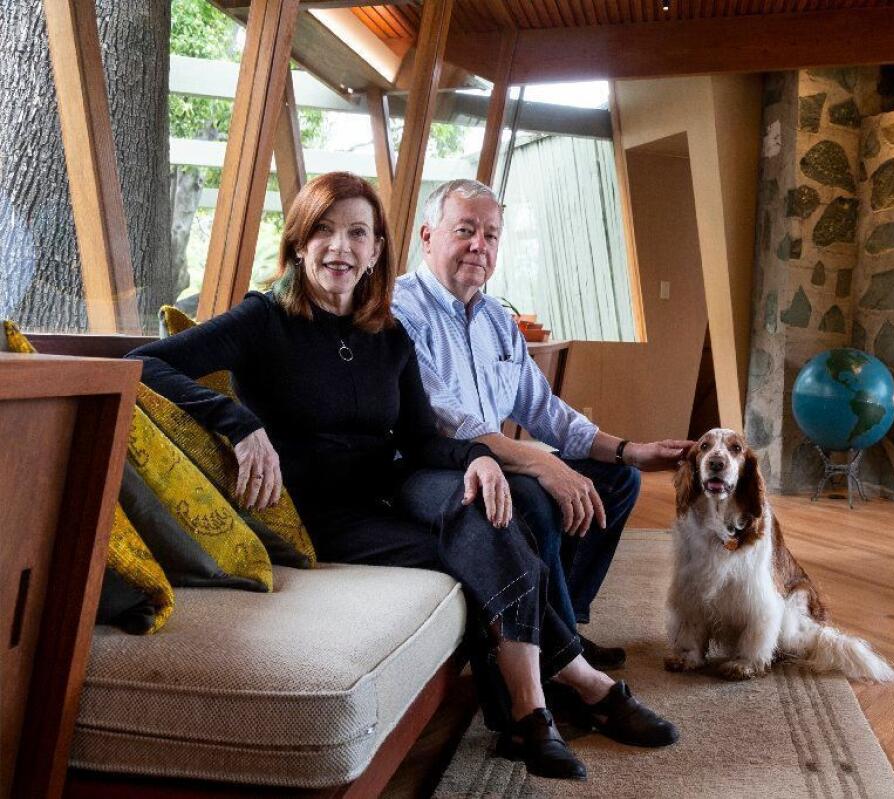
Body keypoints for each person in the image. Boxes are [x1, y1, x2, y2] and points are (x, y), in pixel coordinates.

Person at [128, 172, 677, 780]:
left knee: (484, 514)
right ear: (300, 242)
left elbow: (419, 439)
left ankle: (528, 713)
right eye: (325, 231)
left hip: (383, 495)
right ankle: (579, 686)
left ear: (375, 250)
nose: (340, 247)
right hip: (317, 516)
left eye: (357, 234)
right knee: (485, 536)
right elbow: (141, 364)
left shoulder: (385, 333)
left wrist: (479, 459)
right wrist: (235, 420)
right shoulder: (264, 320)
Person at [391, 179, 690, 668]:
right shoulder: (402, 311)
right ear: (427, 237)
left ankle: (563, 631)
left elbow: (543, 409)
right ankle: (558, 654)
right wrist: (537, 463)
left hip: (494, 458)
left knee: (617, 481)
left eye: (490, 235)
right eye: (464, 230)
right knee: (532, 495)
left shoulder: (496, 320)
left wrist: (629, 450)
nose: (479, 245)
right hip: (432, 466)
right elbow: (443, 419)